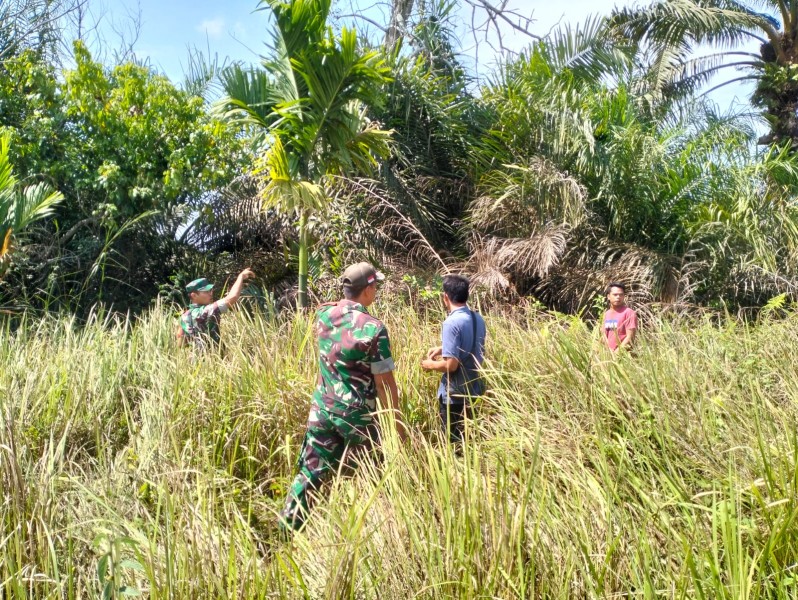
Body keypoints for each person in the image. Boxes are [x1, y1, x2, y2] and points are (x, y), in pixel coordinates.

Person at [279, 262, 406, 531]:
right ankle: (380, 532)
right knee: (377, 475)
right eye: (376, 286)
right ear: (369, 289)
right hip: (357, 417)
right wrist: (397, 428)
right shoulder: (374, 328)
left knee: (310, 473)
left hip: (322, 410)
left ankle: (286, 531)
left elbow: (324, 308)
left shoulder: (323, 318)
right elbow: (385, 385)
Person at [421, 274, 486, 444]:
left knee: (452, 442)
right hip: (474, 388)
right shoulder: (477, 318)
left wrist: (430, 364)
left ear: (446, 297)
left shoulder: (451, 323)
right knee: (470, 440)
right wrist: (443, 348)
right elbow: (470, 345)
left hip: (455, 395)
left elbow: (451, 366)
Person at [176, 268, 254, 349]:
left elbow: (180, 343)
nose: (210, 294)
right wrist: (240, 277)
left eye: (210, 291)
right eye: (206, 292)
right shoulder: (206, 311)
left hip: (195, 360)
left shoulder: (184, 316)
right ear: (194, 295)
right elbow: (232, 298)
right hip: (212, 356)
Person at [602, 282, 638, 352]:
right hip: (608, 355)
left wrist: (617, 353)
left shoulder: (629, 313)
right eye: (615, 295)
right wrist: (609, 352)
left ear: (624, 296)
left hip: (624, 356)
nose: (618, 297)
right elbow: (604, 335)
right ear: (608, 296)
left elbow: (630, 337)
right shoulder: (606, 314)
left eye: (621, 295)